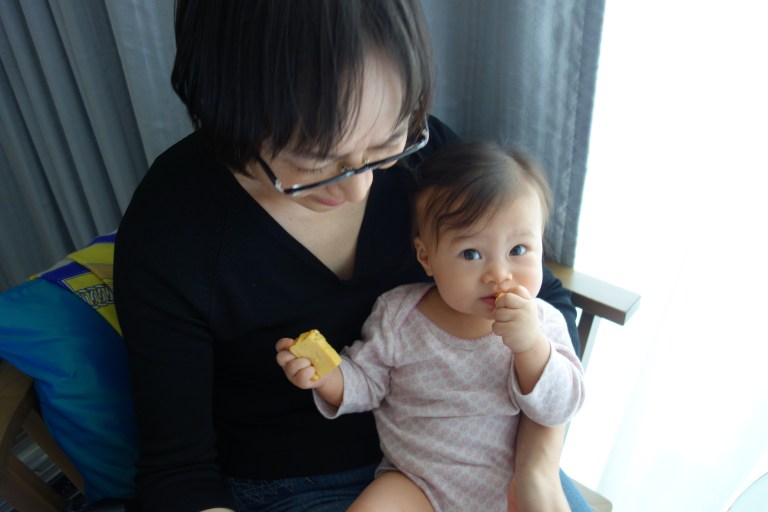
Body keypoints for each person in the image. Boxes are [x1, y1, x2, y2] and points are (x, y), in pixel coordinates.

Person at [113, 1, 591, 511]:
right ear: (232, 116)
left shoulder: (430, 164)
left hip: (490, 457)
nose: (361, 187)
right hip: (296, 481)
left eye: (387, 145)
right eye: (316, 163)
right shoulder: (173, 230)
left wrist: (536, 467)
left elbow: (548, 306)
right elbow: (178, 472)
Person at [276, 142, 586, 511]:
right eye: (471, 254)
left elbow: (560, 406)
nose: (498, 274)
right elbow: (368, 382)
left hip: (507, 490)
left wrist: (531, 347)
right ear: (426, 258)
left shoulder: (542, 322)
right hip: (414, 481)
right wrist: (327, 376)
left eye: (518, 250)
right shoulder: (399, 314)